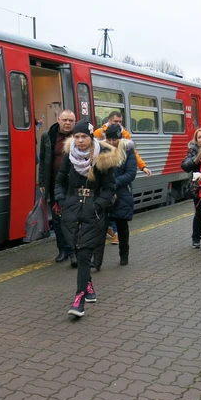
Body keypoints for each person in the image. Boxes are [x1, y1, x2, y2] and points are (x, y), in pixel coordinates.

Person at [54, 119, 119, 318]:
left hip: (93, 211)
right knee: (76, 248)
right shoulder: (69, 156)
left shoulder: (103, 158)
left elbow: (109, 187)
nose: (80, 140)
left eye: (84, 137)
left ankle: (79, 299)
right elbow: (60, 181)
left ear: (91, 138)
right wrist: (62, 201)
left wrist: (98, 205)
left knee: (83, 254)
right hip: (71, 210)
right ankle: (88, 286)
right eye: (77, 136)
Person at [94, 111, 151, 246]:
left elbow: (133, 154)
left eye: (120, 121)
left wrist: (142, 166)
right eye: (116, 122)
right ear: (109, 121)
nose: (119, 124)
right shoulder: (99, 133)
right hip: (105, 185)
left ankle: (117, 236)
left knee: (118, 212)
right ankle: (112, 235)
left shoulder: (124, 135)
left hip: (119, 185)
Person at [38, 110, 76, 266]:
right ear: (58, 120)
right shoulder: (48, 136)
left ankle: (75, 250)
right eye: (65, 120)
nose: (68, 123)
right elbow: (43, 160)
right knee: (58, 218)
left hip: (74, 184)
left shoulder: (79, 136)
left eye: (71, 120)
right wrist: (42, 182)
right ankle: (63, 250)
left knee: (73, 218)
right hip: (55, 184)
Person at [97, 123, 137, 267]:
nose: (112, 142)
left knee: (122, 227)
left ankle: (124, 255)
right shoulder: (101, 149)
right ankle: (97, 261)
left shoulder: (128, 150)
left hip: (122, 194)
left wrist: (113, 183)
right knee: (100, 229)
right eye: (109, 139)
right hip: (104, 194)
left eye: (115, 139)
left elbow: (131, 173)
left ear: (120, 138)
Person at [181, 127, 201, 248]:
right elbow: (185, 165)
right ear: (196, 140)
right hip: (199, 188)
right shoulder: (193, 150)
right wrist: (198, 159)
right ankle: (196, 239)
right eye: (200, 137)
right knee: (200, 213)